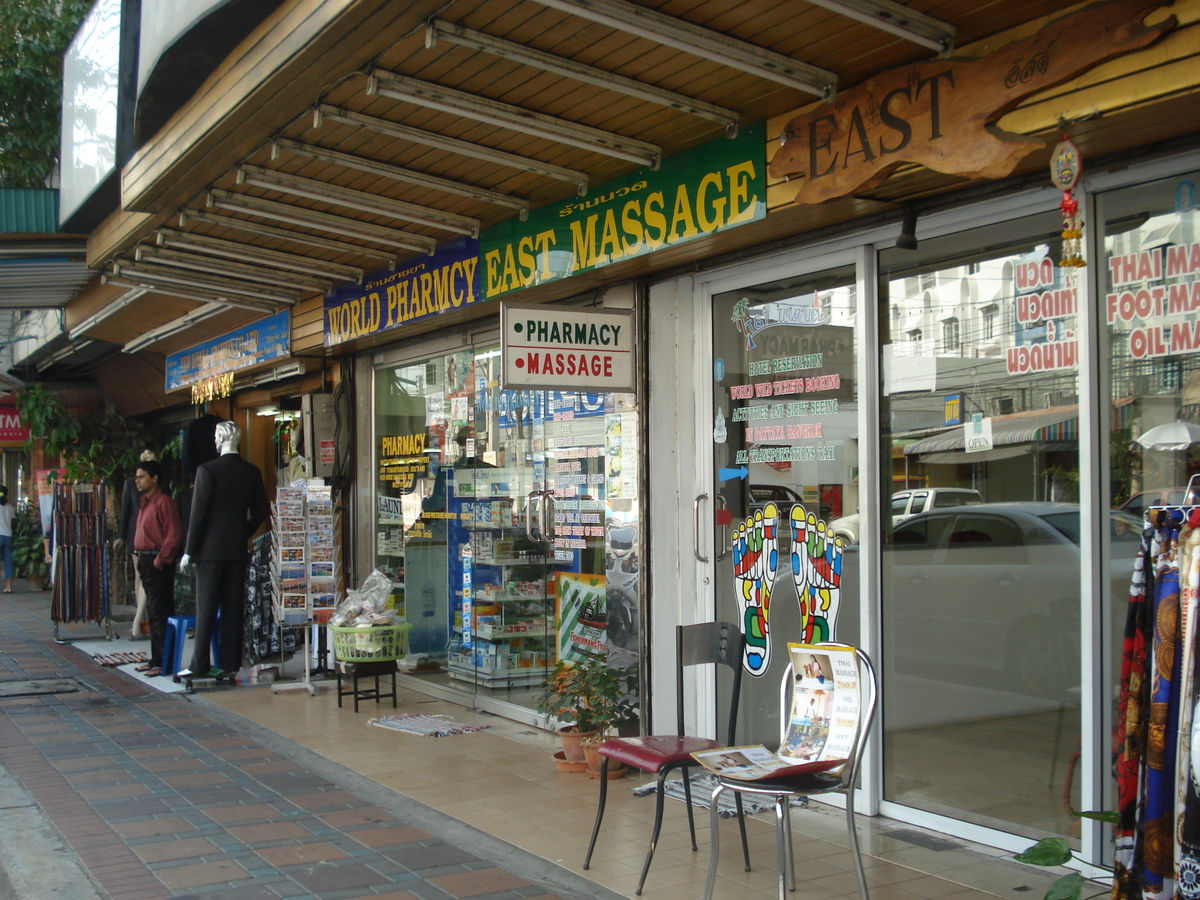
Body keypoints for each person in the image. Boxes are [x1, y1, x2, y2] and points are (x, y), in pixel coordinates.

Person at [179, 421, 269, 680]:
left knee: (206, 608)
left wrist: (189, 550)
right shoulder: (251, 471)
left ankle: (199, 665)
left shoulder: (207, 470)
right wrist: (245, 530)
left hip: (209, 550)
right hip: (236, 548)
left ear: (219, 439)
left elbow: (198, 515)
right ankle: (230, 664)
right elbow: (261, 509)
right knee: (233, 608)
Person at [131, 460, 182, 677]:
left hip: (157, 562)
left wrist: (160, 562)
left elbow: (173, 537)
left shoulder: (164, 503)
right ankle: (156, 659)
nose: (137, 481)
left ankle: (164, 662)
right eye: (137, 477)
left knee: (160, 612)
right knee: (153, 612)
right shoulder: (145, 502)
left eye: (142, 476)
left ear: (154, 478)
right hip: (145, 560)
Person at [117, 450, 158, 639]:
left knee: (145, 576)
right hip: (136, 533)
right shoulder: (130, 484)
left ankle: (141, 617)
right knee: (139, 576)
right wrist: (121, 535)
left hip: (154, 535)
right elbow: (125, 511)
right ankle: (140, 616)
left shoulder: (159, 483)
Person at [0, 486, 13, 593]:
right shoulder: (10, 507)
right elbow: (13, 520)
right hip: (8, 536)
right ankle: (8, 587)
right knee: (8, 561)